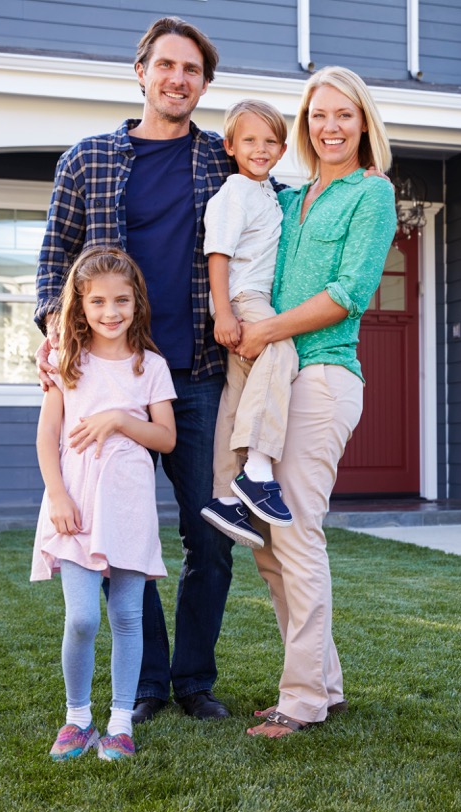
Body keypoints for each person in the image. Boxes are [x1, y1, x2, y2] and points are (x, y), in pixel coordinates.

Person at [34, 16, 239, 723]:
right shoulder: (86, 160)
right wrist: (52, 334)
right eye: (166, 66)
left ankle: (193, 679)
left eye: (192, 70)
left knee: (208, 531)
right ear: (141, 71)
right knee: (124, 531)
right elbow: (53, 262)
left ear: (204, 84)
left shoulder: (222, 163)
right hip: (110, 376)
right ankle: (146, 681)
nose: (178, 79)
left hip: (200, 372)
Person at [230, 67, 398, 738]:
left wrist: (263, 330)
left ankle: (299, 699)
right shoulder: (293, 195)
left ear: (363, 123)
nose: (330, 126)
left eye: (343, 115)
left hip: (323, 376)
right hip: (278, 377)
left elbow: (347, 293)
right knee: (270, 544)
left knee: (295, 532)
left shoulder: (372, 193)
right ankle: (323, 684)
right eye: (319, 115)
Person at [31, 247, 177, 762]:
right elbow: (47, 437)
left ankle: (119, 723)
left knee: (127, 616)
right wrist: (57, 495)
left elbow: (165, 438)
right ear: (80, 305)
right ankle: (77, 719)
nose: (110, 312)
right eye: (97, 302)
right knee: (82, 620)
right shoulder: (67, 363)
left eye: (121, 300)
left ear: (136, 302)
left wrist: (117, 417)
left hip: (129, 506)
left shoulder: (151, 366)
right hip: (76, 506)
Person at [200, 99, 300, 547]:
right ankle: (258, 469)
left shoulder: (269, 193)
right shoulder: (234, 193)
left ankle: (224, 496)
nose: (260, 149)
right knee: (281, 349)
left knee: (237, 394)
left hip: (246, 299)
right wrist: (224, 311)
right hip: (244, 297)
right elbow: (217, 254)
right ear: (231, 146)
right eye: (249, 141)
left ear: (280, 149)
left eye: (270, 142)